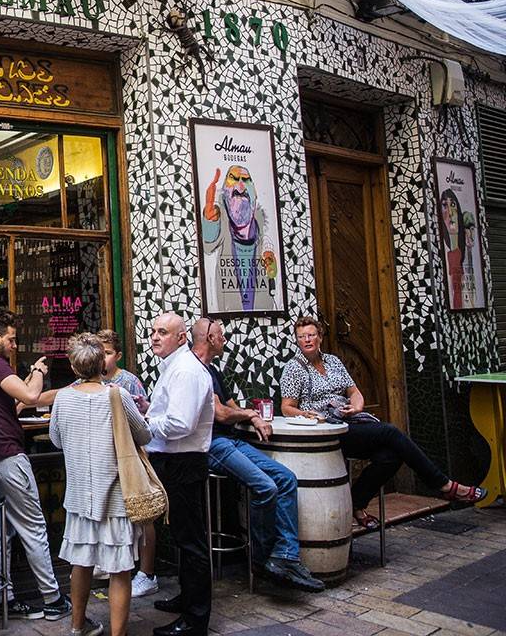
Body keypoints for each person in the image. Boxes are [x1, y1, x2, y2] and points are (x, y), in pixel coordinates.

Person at [280, 316, 487, 528]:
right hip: (327, 429)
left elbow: (355, 392)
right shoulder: (294, 369)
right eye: (302, 336)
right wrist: (309, 415)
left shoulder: (333, 361)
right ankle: (445, 485)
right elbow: (286, 408)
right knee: (389, 432)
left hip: (350, 421)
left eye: (311, 335)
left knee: (391, 456)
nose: (307, 340)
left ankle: (356, 505)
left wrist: (357, 406)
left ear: (320, 337)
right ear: (297, 340)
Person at [0, 309, 72, 621]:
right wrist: (38, 369)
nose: (14, 345)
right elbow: (31, 395)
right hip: (9, 456)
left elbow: (10, 403)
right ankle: (52, 598)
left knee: (1, 532)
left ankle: (4, 597)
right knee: (33, 527)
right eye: (10, 339)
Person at [201, 318, 323, 592]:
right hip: (213, 445)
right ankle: (261, 559)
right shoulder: (197, 371)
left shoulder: (215, 371)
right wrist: (250, 414)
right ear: (209, 339)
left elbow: (230, 405)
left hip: (231, 439)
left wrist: (252, 416)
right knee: (266, 487)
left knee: (286, 478)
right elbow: (221, 413)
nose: (224, 340)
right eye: (220, 335)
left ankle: (286, 557)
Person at [51, 333, 151, 636]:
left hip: (80, 495)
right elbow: (143, 435)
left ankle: (77, 626)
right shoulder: (117, 395)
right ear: (102, 363)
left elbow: (56, 438)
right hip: (117, 496)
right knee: (120, 569)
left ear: (72, 365)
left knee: (80, 564)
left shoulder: (63, 397)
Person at [146, 314, 214, 636]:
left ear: (182, 337)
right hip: (174, 460)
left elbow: (181, 424)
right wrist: (149, 407)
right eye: (153, 331)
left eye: (163, 332)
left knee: (192, 541)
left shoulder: (186, 371)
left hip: (184, 462)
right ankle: (187, 599)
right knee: (183, 538)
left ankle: (195, 619)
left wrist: (146, 424)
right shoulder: (173, 367)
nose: (155, 337)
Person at [95, 329, 159, 599]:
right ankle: (110, 567)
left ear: (118, 355)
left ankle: (147, 572)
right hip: (104, 457)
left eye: (108, 353)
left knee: (143, 514)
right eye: (99, 353)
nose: (103, 358)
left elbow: (144, 419)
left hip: (130, 455)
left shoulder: (129, 382)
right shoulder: (88, 381)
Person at [201, 165, 277, 313]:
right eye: (234, 179)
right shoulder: (222, 224)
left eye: (246, 180)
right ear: (224, 195)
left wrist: (271, 267)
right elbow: (209, 245)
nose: (240, 186)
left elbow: (272, 273)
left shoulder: (263, 234)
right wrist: (209, 219)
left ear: (254, 193)